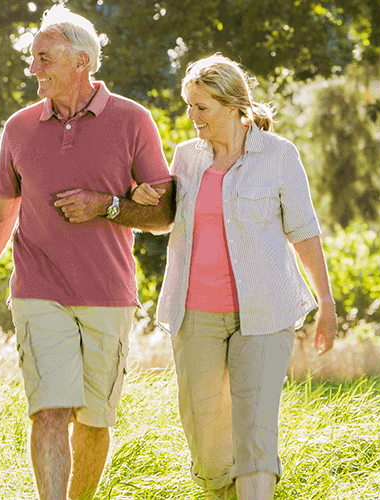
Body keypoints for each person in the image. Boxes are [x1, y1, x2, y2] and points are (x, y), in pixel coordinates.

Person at [0, 6, 176, 500]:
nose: (34, 69)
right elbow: (0, 210)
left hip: (107, 292)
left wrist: (108, 206)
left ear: (82, 60)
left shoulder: (133, 121)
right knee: (49, 411)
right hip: (38, 289)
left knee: (94, 420)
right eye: (33, 59)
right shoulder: (19, 128)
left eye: (44, 58)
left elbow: (164, 213)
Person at [131, 54, 341, 500]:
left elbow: (303, 232)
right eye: (189, 106)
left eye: (201, 107)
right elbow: (167, 218)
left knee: (255, 426)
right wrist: (142, 197)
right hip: (196, 314)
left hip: (265, 315)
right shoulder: (186, 158)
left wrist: (327, 302)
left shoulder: (279, 155)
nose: (192, 117)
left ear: (232, 106)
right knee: (206, 439)